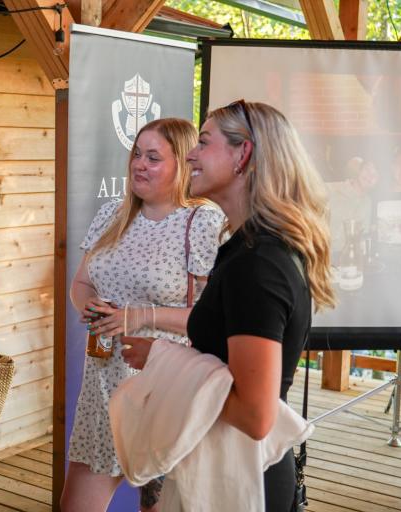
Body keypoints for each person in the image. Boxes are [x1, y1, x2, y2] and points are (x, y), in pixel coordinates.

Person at [124, 100, 335, 512]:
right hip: (231, 469)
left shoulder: (257, 265)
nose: (190, 154)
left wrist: (165, 361)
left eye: (203, 142)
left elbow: (255, 415)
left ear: (244, 154)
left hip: (244, 480)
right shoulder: (247, 250)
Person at [61, 118, 225, 512]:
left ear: (182, 165)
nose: (139, 164)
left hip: (165, 386)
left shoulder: (203, 223)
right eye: (137, 154)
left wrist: (138, 316)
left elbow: (215, 318)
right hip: (104, 384)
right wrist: (94, 311)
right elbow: (82, 283)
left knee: (158, 506)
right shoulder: (111, 215)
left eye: (153, 157)